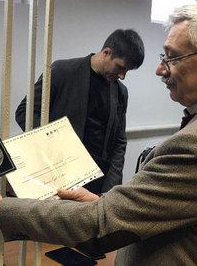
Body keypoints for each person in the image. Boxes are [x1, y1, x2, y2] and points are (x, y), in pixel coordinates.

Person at [0, 0, 197, 265]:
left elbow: (102, 222)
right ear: (107, 52)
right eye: (164, 56)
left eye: (172, 57)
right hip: (59, 182)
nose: (160, 69)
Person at [15, 29, 144, 194]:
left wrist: (111, 186)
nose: (122, 75)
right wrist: (53, 146)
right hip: (56, 176)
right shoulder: (62, 71)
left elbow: (119, 141)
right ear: (106, 52)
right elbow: (24, 112)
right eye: (120, 67)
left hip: (98, 183)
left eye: (127, 71)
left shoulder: (121, 92)